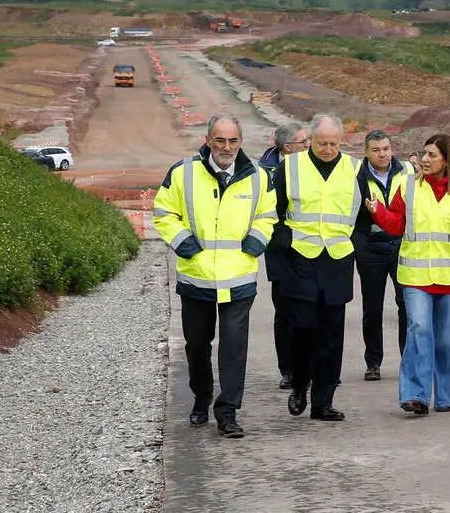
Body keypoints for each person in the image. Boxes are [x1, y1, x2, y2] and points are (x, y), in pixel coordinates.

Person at [154, 112, 277, 439]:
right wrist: (185, 245)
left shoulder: (259, 177)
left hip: (239, 278)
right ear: (208, 140)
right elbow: (164, 212)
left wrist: (256, 242)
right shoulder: (183, 173)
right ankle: (201, 398)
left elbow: (268, 215)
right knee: (197, 345)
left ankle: (228, 412)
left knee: (234, 347)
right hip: (197, 278)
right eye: (220, 140)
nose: (226, 147)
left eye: (233, 141)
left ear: (241, 142)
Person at [367, 134, 450, 414]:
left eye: (431, 154)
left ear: (447, 160)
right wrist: (378, 213)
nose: (424, 159)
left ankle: (443, 396)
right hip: (415, 276)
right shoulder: (408, 186)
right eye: (424, 154)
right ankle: (416, 395)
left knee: (445, 340)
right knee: (419, 330)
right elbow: (397, 225)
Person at [268, 113, 362, 422]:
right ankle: (299, 384)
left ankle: (323, 401)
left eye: (334, 143)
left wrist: (356, 247)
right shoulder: (290, 167)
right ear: (311, 140)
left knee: (332, 336)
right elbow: (274, 212)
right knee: (302, 329)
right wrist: (284, 246)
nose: (328, 149)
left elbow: (364, 214)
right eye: (322, 143)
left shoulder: (354, 169)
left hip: (336, 262)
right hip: (301, 260)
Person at [352, 129, 415, 382]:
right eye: (376, 150)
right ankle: (373, 361)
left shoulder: (408, 172)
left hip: (401, 245)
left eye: (386, 149)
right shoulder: (357, 176)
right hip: (370, 247)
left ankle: (407, 359)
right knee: (373, 308)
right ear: (366, 153)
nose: (382, 154)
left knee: (406, 305)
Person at [257, 122, 309, 390]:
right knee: (286, 312)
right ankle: (288, 369)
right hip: (281, 253)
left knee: (314, 313)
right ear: (288, 148)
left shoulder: (312, 167)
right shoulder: (264, 172)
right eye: (304, 143)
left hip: (312, 251)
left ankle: (314, 368)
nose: (308, 147)